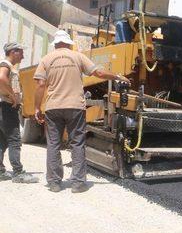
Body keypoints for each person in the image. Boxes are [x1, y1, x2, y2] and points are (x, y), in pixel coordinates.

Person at [33, 30, 130, 193]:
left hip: (53, 107)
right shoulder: (77, 56)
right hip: (75, 107)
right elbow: (98, 73)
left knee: (53, 144)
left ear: (56, 44)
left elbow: (40, 85)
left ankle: (55, 182)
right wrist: (119, 77)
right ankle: (78, 183)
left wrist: (37, 108)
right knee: (77, 143)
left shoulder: (46, 59)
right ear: (68, 43)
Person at [0, 42, 38, 183]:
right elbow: (1, 78)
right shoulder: (6, 65)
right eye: (21, 52)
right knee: (14, 139)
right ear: (13, 52)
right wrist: (13, 96)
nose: (23, 56)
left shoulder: (7, 65)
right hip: (6, 107)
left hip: (2, 106)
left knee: (2, 140)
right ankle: (18, 173)